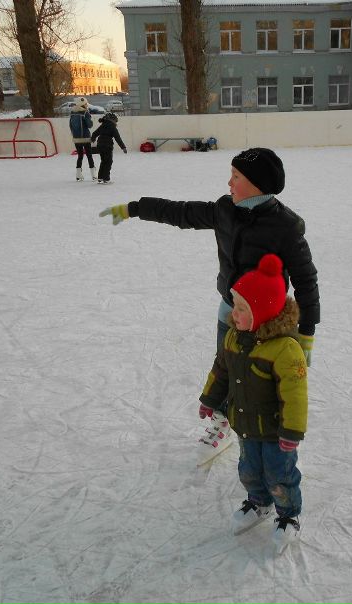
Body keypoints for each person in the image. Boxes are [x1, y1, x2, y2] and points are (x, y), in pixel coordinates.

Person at [98, 148, 319, 457]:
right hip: (231, 309)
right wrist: (134, 208)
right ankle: (224, 421)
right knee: (228, 366)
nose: (229, 182)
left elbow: (306, 281)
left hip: (269, 322)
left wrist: (306, 331)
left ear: (256, 183)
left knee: (264, 382)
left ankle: (268, 442)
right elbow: (181, 212)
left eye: (236, 176)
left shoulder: (286, 226)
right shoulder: (225, 209)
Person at [198, 254, 307, 553]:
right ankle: (259, 503)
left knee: (279, 475)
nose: (234, 314)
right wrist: (209, 399)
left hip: (275, 431)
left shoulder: (285, 349)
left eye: (243, 308)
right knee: (248, 469)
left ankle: (289, 516)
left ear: (263, 311)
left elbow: (296, 394)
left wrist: (292, 431)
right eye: (235, 305)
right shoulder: (234, 338)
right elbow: (221, 371)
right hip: (245, 424)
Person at [90, 112, 127, 184]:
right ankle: (106, 179)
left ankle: (100, 177)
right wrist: (123, 147)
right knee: (108, 162)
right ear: (113, 120)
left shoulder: (103, 125)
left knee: (103, 161)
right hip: (107, 146)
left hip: (100, 145)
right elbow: (118, 138)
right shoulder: (112, 127)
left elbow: (94, 133)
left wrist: (93, 139)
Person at [69, 97, 95, 181]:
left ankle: (78, 175)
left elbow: (70, 125)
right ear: (83, 104)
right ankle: (93, 175)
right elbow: (89, 125)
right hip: (86, 138)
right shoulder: (85, 113)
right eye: (86, 104)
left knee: (80, 156)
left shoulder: (72, 113)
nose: (87, 105)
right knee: (89, 155)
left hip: (76, 138)